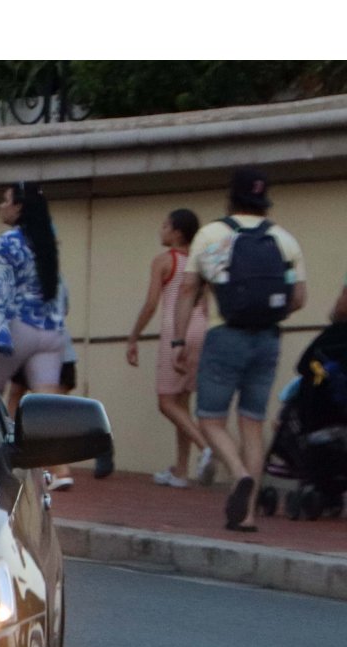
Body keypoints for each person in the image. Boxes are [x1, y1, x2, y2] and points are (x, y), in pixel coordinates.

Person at [171, 167, 307, 531]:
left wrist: (179, 340)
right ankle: (246, 515)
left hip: (224, 335)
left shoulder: (211, 235)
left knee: (210, 419)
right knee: (252, 423)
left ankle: (239, 472)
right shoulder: (283, 239)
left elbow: (187, 290)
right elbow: (298, 299)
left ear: (231, 196)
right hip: (267, 339)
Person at [0, 181, 72, 488]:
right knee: (47, 407)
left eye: (5, 200)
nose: (0, 206)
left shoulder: (6, 242)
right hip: (51, 332)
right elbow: (59, 290)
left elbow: (0, 291)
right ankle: (61, 472)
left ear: (18, 207)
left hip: (18, 328)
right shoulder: (47, 239)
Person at [125, 208, 214, 488]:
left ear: (176, 232)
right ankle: (181, 470)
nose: (161, 230)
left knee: (166, 402)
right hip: (201, 327)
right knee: (182, 402)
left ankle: (206, 448)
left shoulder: (164, 261)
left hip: (176, 330)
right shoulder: (199, 260)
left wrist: (134, 336)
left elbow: (152, 303)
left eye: (165, 225)